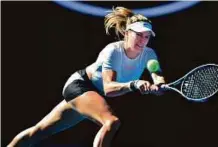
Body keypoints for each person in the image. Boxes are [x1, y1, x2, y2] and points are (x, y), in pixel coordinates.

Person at [7, 6, 165, 147]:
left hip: (93, 95)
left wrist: (159, 86)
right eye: (138, 34)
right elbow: (109, 88)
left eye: (146, 36)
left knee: (38, 132)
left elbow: (157, 77)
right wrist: (134, 84)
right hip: (80, 85)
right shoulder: (112, 51)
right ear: (126, 33)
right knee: (111, 122)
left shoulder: (149, 54)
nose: (143, 40)